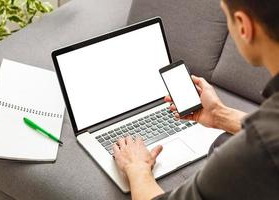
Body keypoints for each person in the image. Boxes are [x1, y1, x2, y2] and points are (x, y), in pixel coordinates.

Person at [112, 0, 279, 199]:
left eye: (226, 17)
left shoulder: (247, 155)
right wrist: (220, 115)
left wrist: (137, 168)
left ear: (243, 26)